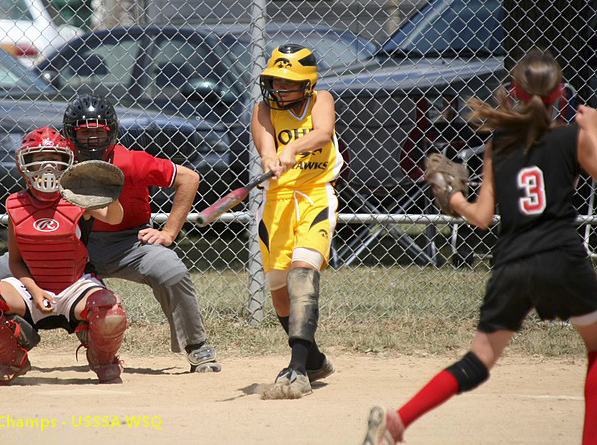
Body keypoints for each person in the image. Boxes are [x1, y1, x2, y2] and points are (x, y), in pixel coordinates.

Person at [362, 49, 597, 445]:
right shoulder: (572, 138)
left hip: (511, 264)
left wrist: (452, 198)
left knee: (480, 360)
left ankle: (398, 420)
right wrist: (592, 130)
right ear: (560, 94)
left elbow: (482, 216)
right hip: (562, 257)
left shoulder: (498, 144)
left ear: (514, 94)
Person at [0, 94, 221, 375]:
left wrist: (169, 231)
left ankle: (197, 347)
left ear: (111, 132)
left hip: (126, 244)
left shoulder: (129, 161)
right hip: (66, 245)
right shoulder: (60, 162)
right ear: (68, 135)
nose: (91, 141)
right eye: (83, 134)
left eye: (98, 133)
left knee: (170, 269)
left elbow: (189, 178)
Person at [0, 126, 127, 386]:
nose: (47, 169)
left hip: (74, 285)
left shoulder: (76, 200)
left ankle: (102, 359)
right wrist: (36, 291)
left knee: (109, 308)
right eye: (38, 161)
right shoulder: (16, 205)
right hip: (31, 288)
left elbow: (114, 217)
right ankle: (12, 360)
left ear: (68, 164)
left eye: (55, 161)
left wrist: (107, 196)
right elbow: (15, 262)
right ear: (23, 164)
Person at [251, 44, 344, 399]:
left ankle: (297, 367)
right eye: (274, 82)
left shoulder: (321, 98)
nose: (278, 89)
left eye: (287, 83)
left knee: (303, 274)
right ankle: (313, 358)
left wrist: (292, 149)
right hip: (276, 205)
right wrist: (272, 159)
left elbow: (322, 132)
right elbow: (267, 150)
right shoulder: (262, 109)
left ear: (306, 84)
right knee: (280, 296)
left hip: (315, 195)